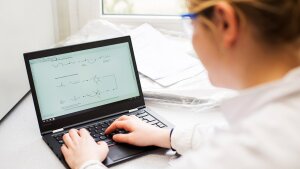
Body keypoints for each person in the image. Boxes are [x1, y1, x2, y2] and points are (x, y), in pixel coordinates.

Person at [60, 0, 300, 169]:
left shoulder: (240, 153)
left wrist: (87, 163)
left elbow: (241, 146)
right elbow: (234, 134)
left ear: (225, 23)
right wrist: (167, 135)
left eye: (190, 23)